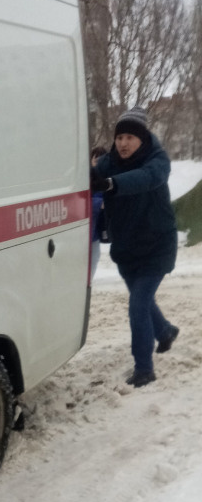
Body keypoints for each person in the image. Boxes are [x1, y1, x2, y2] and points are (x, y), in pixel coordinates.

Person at [91, 107, 180, 388]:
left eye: (130, 137)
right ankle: (165, 331)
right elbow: (88, 175)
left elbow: (147, 178)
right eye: (119, 137)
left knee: (138, 305)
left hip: (156, 247)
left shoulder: (157, 160)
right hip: (127, 248)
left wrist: (109, 184)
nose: (123, 143)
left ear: (142, 138)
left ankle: (144, 368)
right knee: (142, 301)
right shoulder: (110, 161)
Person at [89, 146, 108, 281]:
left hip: (94, 236)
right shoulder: (84, 178)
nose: (98, 164)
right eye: (96, 159)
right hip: (81, 235)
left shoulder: (107, 179)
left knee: (91, 271)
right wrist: (98, 204)